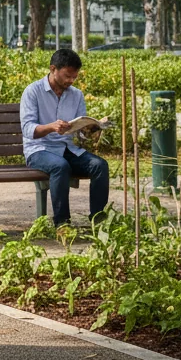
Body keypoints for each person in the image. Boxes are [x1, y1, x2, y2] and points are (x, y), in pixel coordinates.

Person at [20, 48, 110, 226]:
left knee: (100, 165)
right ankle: (62, 223)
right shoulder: (33, 92)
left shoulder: (76, 95)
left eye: (74, 77)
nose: (71, 81)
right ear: (53, 69)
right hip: (39, 150)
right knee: (60, 166)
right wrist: (51, 127)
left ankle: (98, 221)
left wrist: (90, 130)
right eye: (67, 76)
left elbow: (79, 133)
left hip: (67, 149)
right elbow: (28, 129)